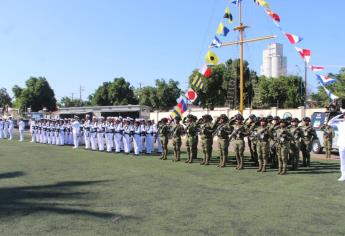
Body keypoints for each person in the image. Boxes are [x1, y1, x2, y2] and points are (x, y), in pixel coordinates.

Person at [337, 113, 345, 181]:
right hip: (342, 144)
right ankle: (343, 175)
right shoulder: (340, 124)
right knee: (342, 161)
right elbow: (330, 122)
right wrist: (340, 115)